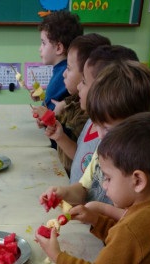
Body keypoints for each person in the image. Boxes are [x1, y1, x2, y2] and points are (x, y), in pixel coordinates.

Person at [36, 112, 150, 264]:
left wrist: (58, 256)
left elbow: (126, 237)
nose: (104, 184)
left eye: (108, 178)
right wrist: (96, 220)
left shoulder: (130, 231)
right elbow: (125, 245)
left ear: (138, 181)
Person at [39, 60, 150, 209]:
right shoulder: (103, 147)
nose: (100, 137)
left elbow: (142, 220)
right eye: (96, 125)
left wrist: (98, 212)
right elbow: (83, 189)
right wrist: (64, 192)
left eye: (107, 129)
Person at [44, 45, 139, 184]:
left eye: (84, 81)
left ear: (102, 89)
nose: (78, 87)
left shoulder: (114, 137)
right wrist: (61, 137)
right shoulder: (92, 121)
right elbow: (81, 158)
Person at [33, 33, 111, 176]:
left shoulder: (90, 116)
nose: (64, 74)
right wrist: (50, 121)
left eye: (68, 68)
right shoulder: (73, 101)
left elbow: (81, 159)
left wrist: (57, 130)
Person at [32, 11, 83, 112]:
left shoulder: (62, 75)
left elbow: (48, 111)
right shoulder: (63, 69)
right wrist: (44, 96)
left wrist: (40, 111)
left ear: (59, 48)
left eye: (43, 43)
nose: (40, 48)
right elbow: (58, 99)